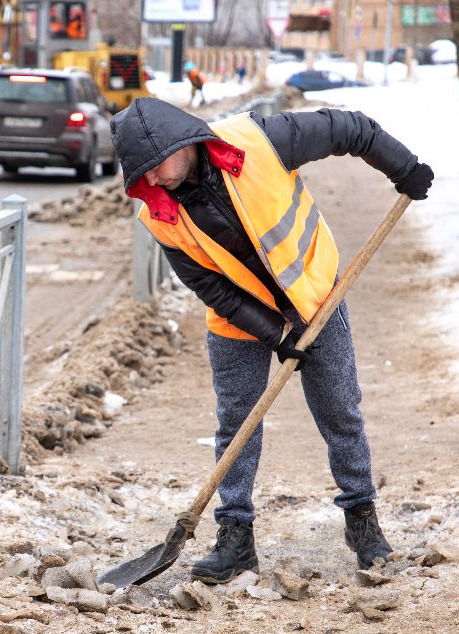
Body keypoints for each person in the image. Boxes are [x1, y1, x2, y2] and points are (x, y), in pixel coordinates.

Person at [109, 98, 434, 583]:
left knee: (339, 410)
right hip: (239, 320)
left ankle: (362, 521)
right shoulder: (160, 214)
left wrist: (402, 167)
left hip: (315, 297)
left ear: (180, 144)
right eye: (141, 175)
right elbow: (210, 287)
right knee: (237, 423)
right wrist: (276, 333)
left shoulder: (259, 142)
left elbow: (349, 128)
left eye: (154, 167)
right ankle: (235, 537)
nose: (151, 181)